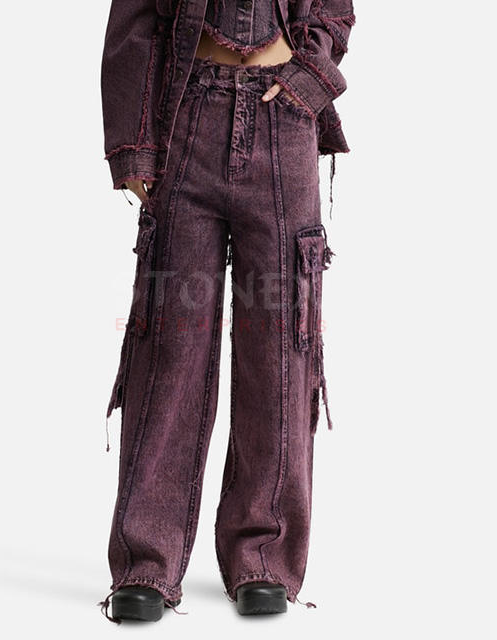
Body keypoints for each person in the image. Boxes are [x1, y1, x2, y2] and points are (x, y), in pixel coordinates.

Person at [98, 0, 357, 623]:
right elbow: (134, 19)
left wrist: (306, 81)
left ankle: (263, 555)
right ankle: (146, 560)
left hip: (284, 124)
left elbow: (334, 10)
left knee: (281, 347)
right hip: (186, 115)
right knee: (169, 344)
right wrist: (133, 147)